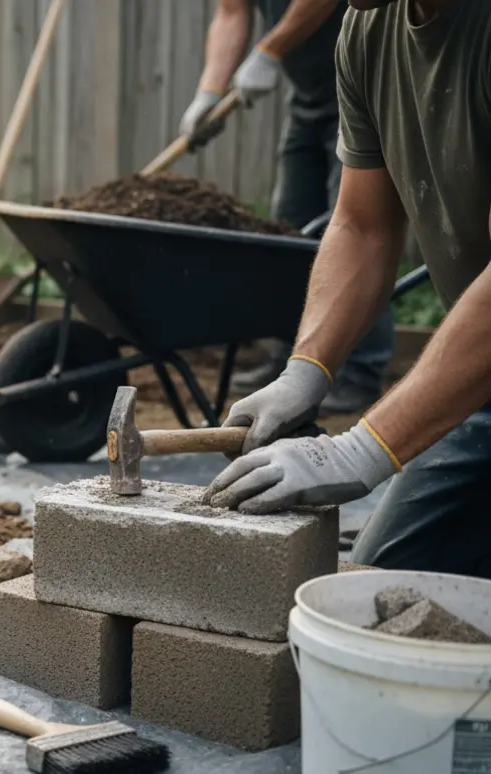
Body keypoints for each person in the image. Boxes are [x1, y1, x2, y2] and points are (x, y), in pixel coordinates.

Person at [202, 0, 491, 579]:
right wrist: (305, 372)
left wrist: (361, 450)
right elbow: (363, 225)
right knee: (383, 584)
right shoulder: (367, 28)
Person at [181, 0, 395, 415]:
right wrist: (210, 89)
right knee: (289, 228)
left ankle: (358, 373)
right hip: (309, 96)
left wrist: (269, 50)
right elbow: (231, 12)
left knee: (357, 225)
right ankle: (291, 363)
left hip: (365, 87)